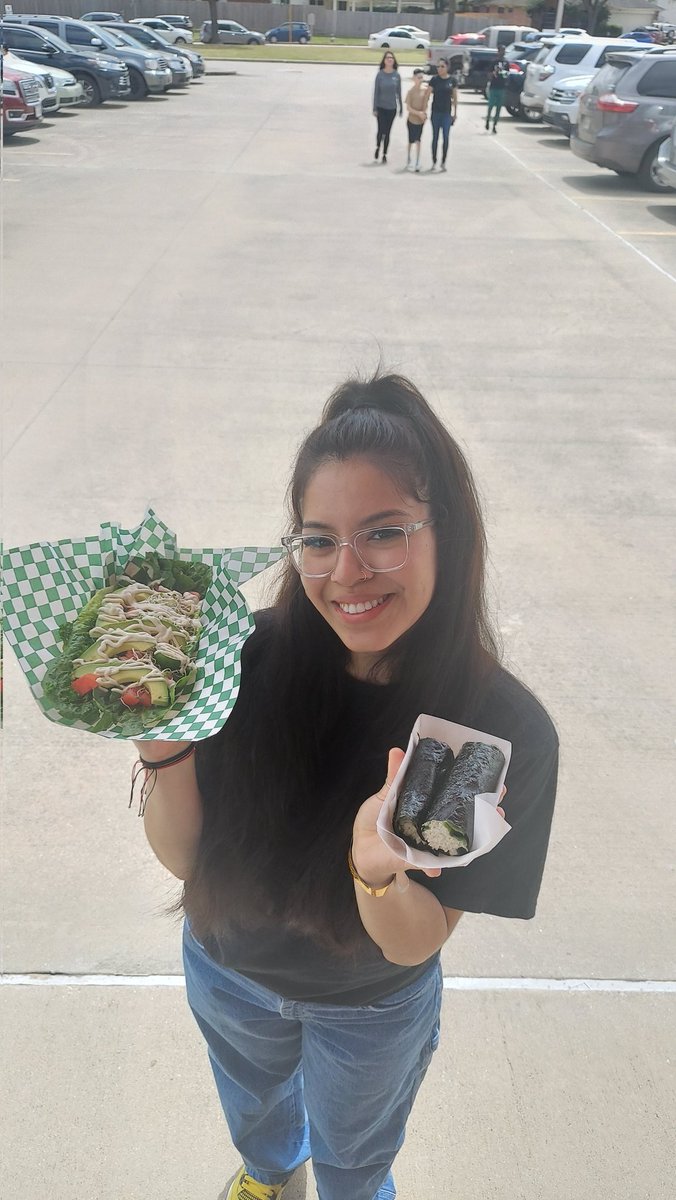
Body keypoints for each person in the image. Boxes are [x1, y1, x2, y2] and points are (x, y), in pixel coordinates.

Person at [135, 372, 558, 1200]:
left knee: (356, 1160)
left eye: (384, 533)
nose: (347, 573)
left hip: (369, 1008)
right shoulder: (237, 660)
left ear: (449, 534)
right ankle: (267, 1176)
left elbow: (412, 940)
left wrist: (376, 868)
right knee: (257, 1115)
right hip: (227, 969)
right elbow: (186, 859)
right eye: (319, 539)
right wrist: (163, 750)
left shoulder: (483, 727)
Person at [372, 51, 402, 165]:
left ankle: (385, 153)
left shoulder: (396, 75)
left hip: (392, 108)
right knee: (381, 130)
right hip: (381, 107)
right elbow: (376, 92)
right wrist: (374, 108)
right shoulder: (380, 75)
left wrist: (401, 107)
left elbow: (399, 92)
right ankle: (378, 146)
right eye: (387, 58)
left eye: (391, 58)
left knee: (388, 132)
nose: (390, 60)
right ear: (384, 60)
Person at [428, 58, 458, 171]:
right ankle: (434, 161)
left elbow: (455, 97)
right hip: (435, 112)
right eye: (438, 66)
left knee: (445, 137)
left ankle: (443, 161)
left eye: (442, 66)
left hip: (446, 113)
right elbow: (427, 94)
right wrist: (423, 108)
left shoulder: (452, 81)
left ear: (447, 67)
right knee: (435, 137)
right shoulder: (434, 80)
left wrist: (455, 113)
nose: (439, 69)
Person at [404, 68, 429, 172]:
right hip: (411, 119)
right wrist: (417, 113)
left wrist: (423, 114)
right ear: (414, 78)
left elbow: (426, 104)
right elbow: (408, 107)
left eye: (422, 77)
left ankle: (417, 161)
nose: (420, 79)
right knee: (411, 140)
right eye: (418, 77)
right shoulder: (410, 91)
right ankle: (408, 158)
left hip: (420, 120)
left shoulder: (425, 90)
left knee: (418, 140)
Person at [485, 48, 510, 134]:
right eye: (500, 51)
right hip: (493, 87)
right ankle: (488, 120)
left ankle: (495, 125)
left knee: (499, 108)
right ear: (498, 52)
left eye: (503, 51)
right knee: (491, 105)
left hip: (502, 87)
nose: (502, 53)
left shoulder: (506, 63)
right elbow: (488, 74)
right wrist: (494, 72)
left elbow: (507, 74)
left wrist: (504, 75)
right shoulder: (493, 62)